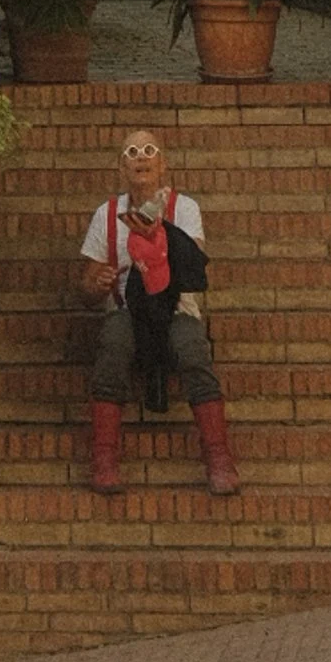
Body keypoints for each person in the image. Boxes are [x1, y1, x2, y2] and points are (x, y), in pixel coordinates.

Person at [79, 127, 242, 496]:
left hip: (176, 308)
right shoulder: (107, 214)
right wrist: (97, 283)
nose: (141, 157)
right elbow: (86, 289)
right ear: (121, 168)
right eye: (131, 152)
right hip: (127, 309)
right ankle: (104, 458)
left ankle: (219, 458)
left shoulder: (184, 208)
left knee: (193, 350)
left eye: (149, 150)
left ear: (163, 164)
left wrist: (159, 237)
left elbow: (194, 267)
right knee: (113, 345)